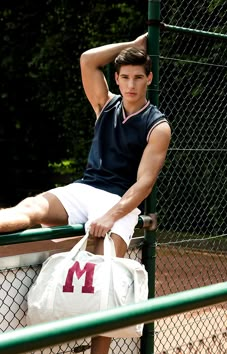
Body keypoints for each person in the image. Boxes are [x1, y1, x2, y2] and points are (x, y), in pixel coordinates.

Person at [0, 33, 171, 353]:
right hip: (84, 188)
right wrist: (133, 45)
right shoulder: (105, 105)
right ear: (117, 80)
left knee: (104, 284)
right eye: (125, 78)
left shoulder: (157, 125)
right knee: (31, 207)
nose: (131, 85)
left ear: (148, 78)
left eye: (138, 77)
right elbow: (88, 60)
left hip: (119, 201)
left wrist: (111, 215)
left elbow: (144, 184)